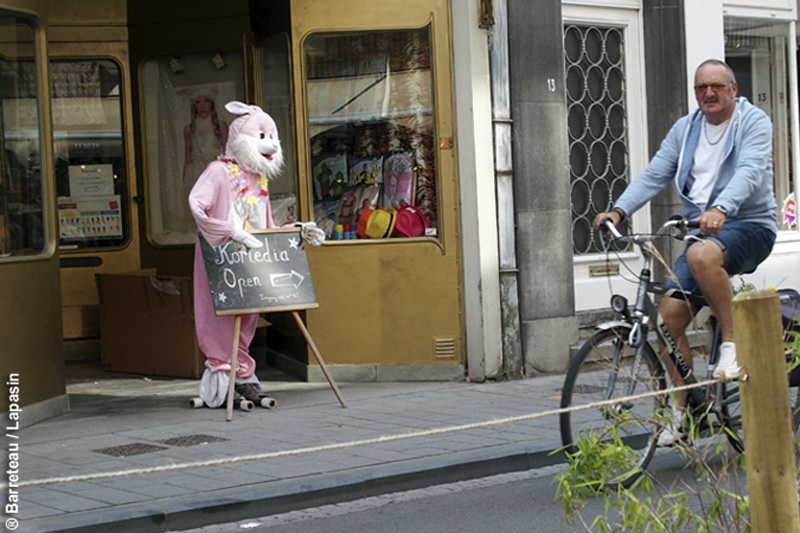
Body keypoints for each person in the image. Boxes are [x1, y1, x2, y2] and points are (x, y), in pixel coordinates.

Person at [593, 59, 778, 446]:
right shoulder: (686, 129)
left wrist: (722, 208)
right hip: (703, 231)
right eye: (700, 88)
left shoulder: (754, 122)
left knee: (700, 257)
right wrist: (619, 210)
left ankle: (732, 343)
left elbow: (749, 170)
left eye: (716, 86)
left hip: (749, 225)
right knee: (666, 319)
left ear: (733, 88)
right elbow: (655, 173)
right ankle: (686, 413)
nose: (708, 94)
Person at [183, 88, 228, 194]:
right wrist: (184, 181)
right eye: (198, 102)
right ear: (194, 106)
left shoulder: (221, 125)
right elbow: (187, 158)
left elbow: (227, 153)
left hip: (214, 169)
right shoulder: (188, 129)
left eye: (206, 101)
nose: (203, 106)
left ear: (211, 104)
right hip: (195, 171)